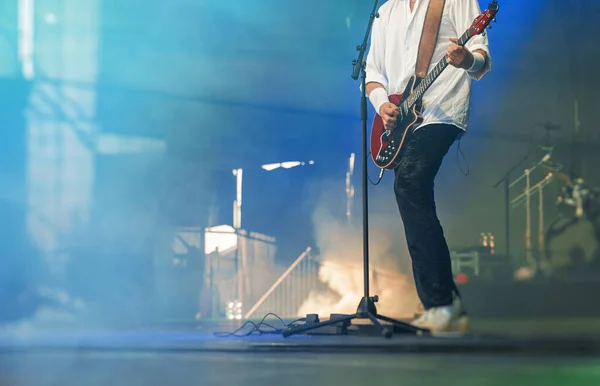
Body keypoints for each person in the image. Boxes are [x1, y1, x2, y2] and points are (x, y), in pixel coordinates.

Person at [365, 0, 492, 335]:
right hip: (402, 118)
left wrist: (467, 59)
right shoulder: (385, 10)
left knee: (409, 184)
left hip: (442, 110)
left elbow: (481, 57)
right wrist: (382, 106)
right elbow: (372, 72)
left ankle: (441, 303)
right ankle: (442, 302)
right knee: (411, 193)